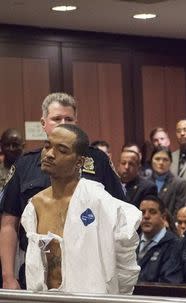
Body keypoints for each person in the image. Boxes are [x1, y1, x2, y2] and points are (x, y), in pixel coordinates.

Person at [0, 92, 125, 290]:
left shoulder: (97, 160)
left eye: (69, 119)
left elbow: (120, 220)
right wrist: (8, 276)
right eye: (57, 119)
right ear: (43, 123)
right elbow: (9, 223)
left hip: (89, 270)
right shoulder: (25, 164)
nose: (63, 122)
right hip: (38, 268)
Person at [22, 124, 141, 293]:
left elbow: (126, 263)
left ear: (80, 161)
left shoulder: (99, 201)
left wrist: (119, 297)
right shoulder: (34, 206)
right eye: (47, 146)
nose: (49, 154)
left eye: (61, 150)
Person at [137, 195, 182, 283]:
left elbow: (169, 283)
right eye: (142, 212)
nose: (146, 216)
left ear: (163, 217)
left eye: (152, 212)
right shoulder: (131, 242)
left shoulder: (175, 245)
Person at [149, 146, 186, 216]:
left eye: (165, 160)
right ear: (151, 160)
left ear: (171, 162)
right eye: (157, 159)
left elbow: (178, 211)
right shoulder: (145, 183)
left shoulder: (179, 183)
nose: (161, 163)